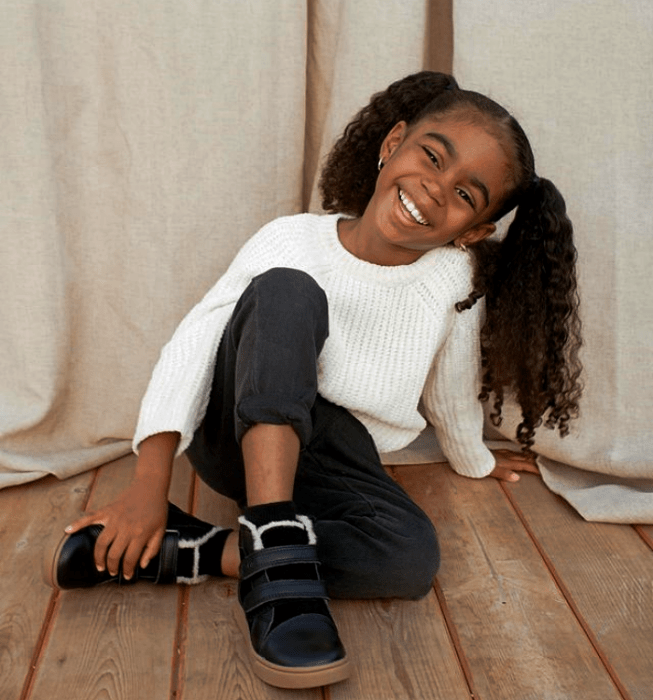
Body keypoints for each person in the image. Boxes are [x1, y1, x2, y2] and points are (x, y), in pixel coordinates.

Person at [48, 71, 582, 689]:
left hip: (334, 459)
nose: (434, 190)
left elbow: (449, 390)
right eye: (431, 157)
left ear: (473, 231)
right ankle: (275, 543)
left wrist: (477, 461)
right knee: (285, 292)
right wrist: (148, 483)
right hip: (237, 435)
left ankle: (194, 550)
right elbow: (194, 345)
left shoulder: (452, 281)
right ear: (393, 142)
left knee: (410, 557)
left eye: (465, 194)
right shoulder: (291, 240)